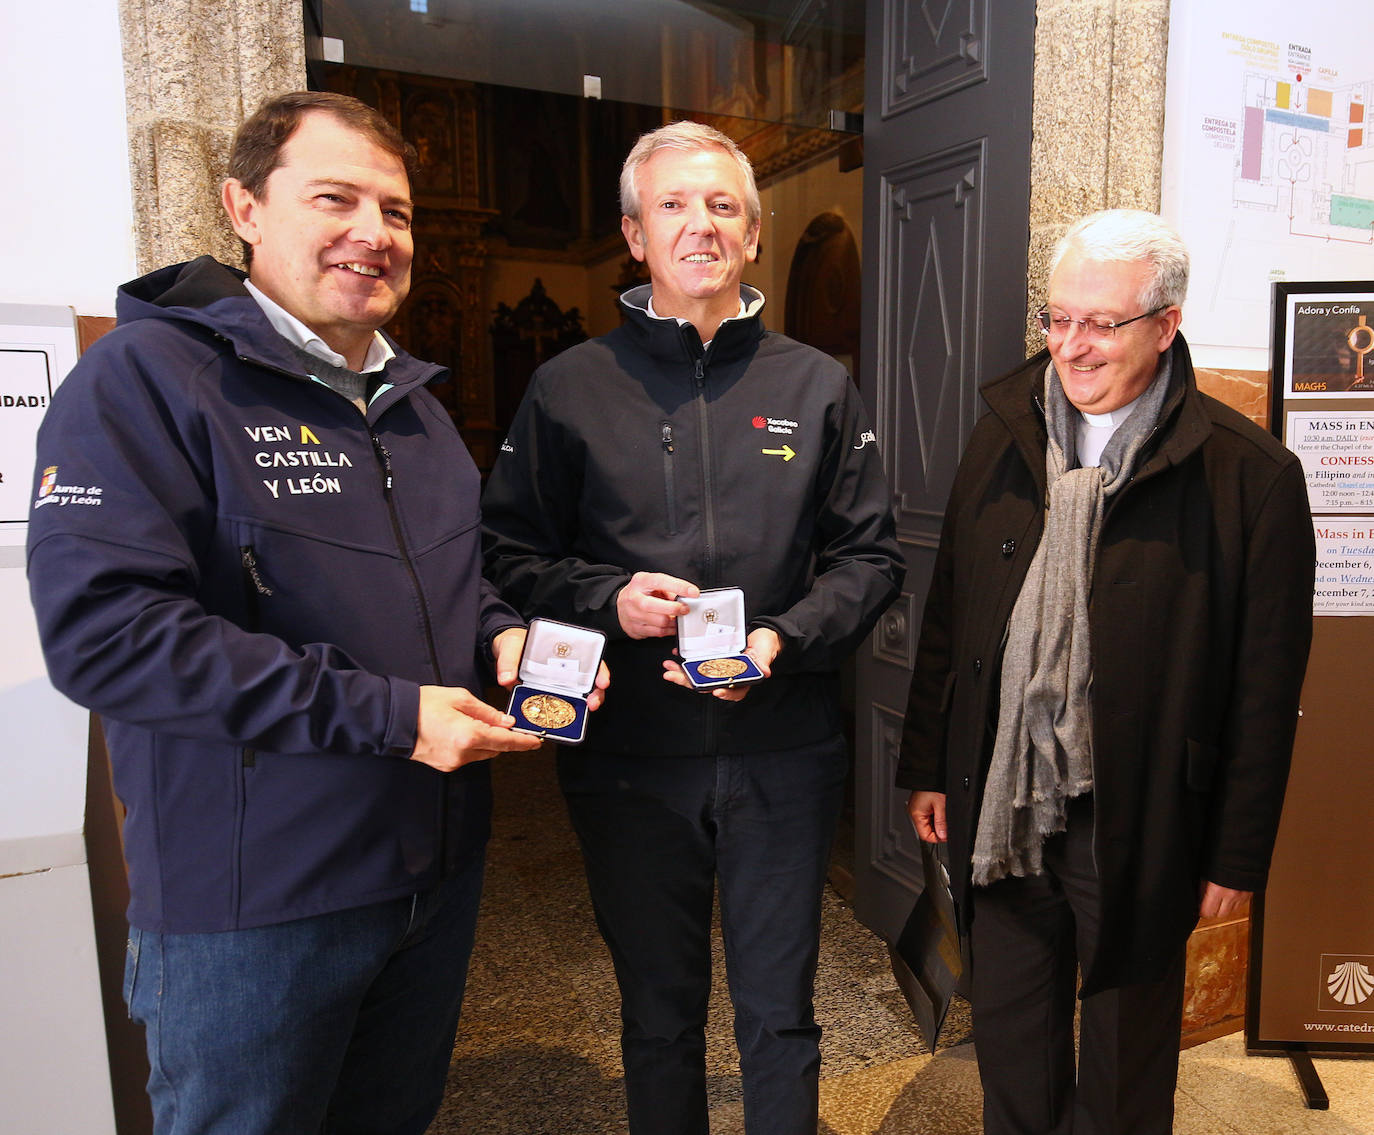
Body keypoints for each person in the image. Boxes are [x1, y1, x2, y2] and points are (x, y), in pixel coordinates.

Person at [25, 91, 604, 1135]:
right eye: (335, 197)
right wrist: (393, 716)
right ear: (242, 205)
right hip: (255, 910)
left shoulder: (418, 410)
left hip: (431, 881)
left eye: (397, 210)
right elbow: (108, 636)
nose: (373, 234)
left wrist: (505, 636)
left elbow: (456, 580)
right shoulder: (146, 380)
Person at [481, 121, 904, 1134]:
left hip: (784, 749)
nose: (700, 225)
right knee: (657, 1015)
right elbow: (506, 553)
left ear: (754, 233)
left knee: (781, 1015)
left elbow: (872, 559)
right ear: (634, 234)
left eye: (722, 206)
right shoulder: (569, 387)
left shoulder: (817, 386)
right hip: (631, 756)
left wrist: (782, 640)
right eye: (673, 204)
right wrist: (607, 599)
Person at [899, 209, 1314, 1133]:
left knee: (1127, 1051)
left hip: (1145, 809)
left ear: (1166, 323)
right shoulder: (1003, 434)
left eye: (1102, 323)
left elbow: (1265, 684)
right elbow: (954, 611)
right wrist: (930, 760)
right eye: (1057, 319)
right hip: (1007, 795)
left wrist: (1236, 849)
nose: (1072, 347)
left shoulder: (1249, 477)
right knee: (1011, 1032)